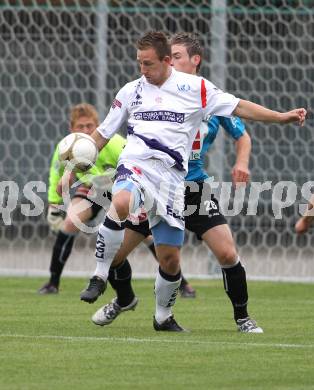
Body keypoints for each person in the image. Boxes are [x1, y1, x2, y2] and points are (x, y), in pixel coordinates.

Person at [77, 31, 306, 333]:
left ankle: (230, 317)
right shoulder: (136, 91)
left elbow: (240, 119)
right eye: (141, 63)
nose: (146, 69)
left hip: (189, 187)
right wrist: (81, 159)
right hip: (143, 177)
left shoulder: (202, 92)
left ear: (186, 60)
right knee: (118, 238)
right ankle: (119, 294)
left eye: (174, 56)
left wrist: (276, 121)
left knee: (205, 255)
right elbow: (106, 132)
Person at [38, 103, 126, 294]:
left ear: (98, 126)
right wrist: (54, 204)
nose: (86, 130)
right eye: (81, 126)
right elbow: (56, 174)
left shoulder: (115, 143)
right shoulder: (67, 146)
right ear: (72, 129)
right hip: (92, 189)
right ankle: (53, 283)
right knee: (70, 222)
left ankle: (180, 282)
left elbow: (134, 165)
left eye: (90, 126)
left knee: (146, 234)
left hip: (121, 189)